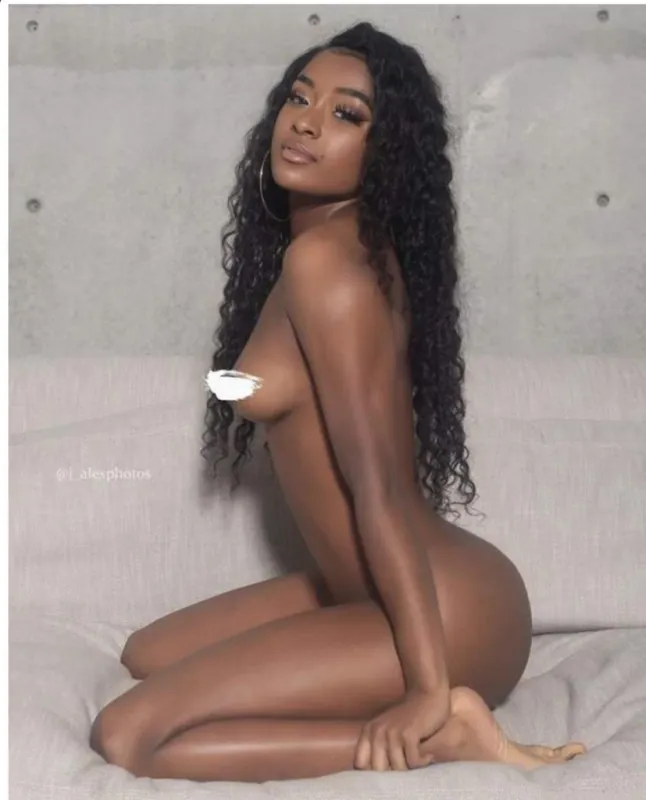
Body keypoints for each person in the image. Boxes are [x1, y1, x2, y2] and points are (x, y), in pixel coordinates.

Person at [89, 21, 586, 782]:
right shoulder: (324, 252)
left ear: (385, 153)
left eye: (347, 113)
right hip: (370, 593)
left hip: (445, 615)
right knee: (144, 655)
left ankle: (448, 734)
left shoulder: (327, 264)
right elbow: (289, 389)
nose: (308, 122)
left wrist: (425, 689)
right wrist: (228, 385)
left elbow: (378, 488)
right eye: (300, 98)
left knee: (128, 737)